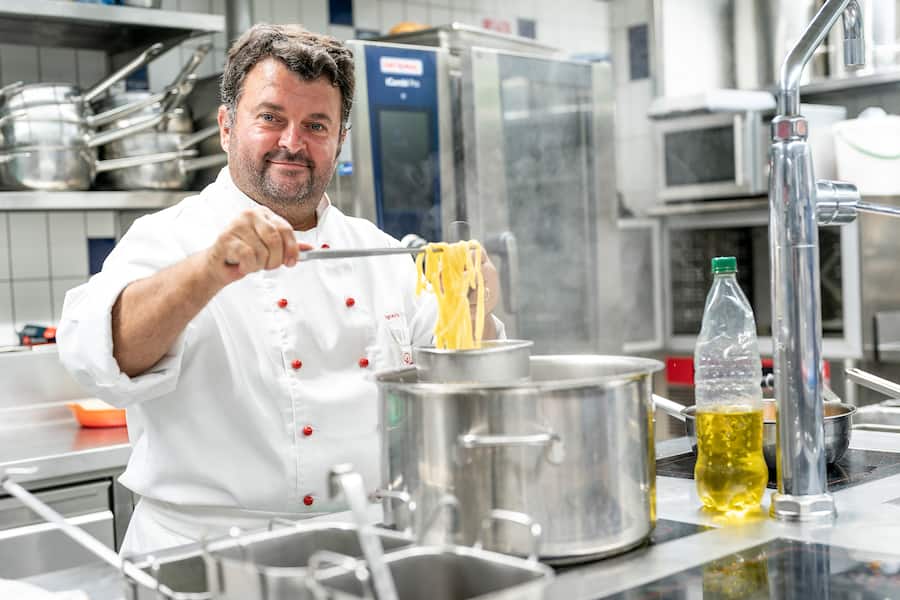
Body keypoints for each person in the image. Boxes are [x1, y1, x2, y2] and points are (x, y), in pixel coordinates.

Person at [57, 24, 501, 554]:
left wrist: (473, 308)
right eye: (270, 118)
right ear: (227, 127)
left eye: (316, 125)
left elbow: (456, 387)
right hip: (205, 556)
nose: (293, 142)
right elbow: (102, 360)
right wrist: (208, 271)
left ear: (339, 139)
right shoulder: (169, 238)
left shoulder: (378, 252)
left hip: (363, 551)